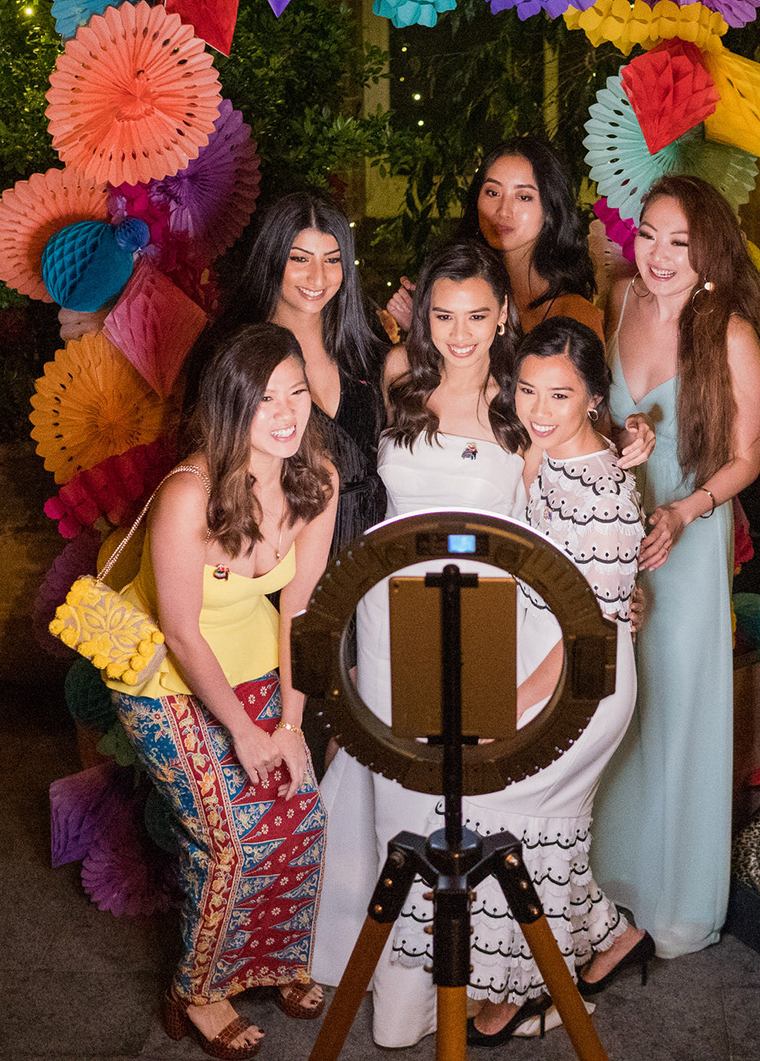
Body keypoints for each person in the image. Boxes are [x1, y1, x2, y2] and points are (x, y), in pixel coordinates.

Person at [310, 240, 535, 1048]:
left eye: (478, 314)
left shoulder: (526, 401)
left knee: (467, 804)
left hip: (482, 617)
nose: (460, 332)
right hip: (388, 606)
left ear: (505, 314)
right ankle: (395, 994)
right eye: (444, 314)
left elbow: (554, 520)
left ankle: (469, 986)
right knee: (393, 795)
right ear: (424, 315)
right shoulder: (402, 376)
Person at [96, 324, 340, 1059]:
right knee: (230, 836)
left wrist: (291, 724)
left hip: (259, 662)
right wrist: (244, 729)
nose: (289, 410)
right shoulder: (188, 495)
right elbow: (180, 632)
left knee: (302, 814)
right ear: (233, 407)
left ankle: (276, 959)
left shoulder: (316, 480)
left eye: (297, 390)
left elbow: (301, 611)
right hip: (168, 679)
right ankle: (198, 989)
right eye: (267, 398)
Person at [592, 174, 760, 959]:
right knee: (611, 708)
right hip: (608, 533)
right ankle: (603, 881)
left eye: (680, 241)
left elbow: (747, 458)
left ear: (710, 250)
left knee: (675, 707)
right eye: (649, 235)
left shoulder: (731, 330)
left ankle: (672, 894)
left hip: (687, 534)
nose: (659, 256)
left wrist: (684, 510)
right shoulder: (617, 300)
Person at [454, 316, 654, 1046]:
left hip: (583, 681)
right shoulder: (545, 455)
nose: (538, 408)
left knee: (515, 818)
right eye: (529, 389)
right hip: (543, 660)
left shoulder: (603, 496)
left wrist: (506, 704)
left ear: (593, 398)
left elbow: (589, 636)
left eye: (560, 394)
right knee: (542, 826)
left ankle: (526, 991)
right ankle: (608, 940)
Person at [184, 193, 390, 551]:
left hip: (372, 549)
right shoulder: (233, 351)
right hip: (276, 551)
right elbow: (207, 468)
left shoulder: (364, 338)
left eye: (332, 260)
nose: (318, 277)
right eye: (299, 258)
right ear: (271, 258)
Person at [386, 137, 603, 338]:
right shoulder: (460, 293)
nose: (503, 211)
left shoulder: (574, 314)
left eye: (524, 197)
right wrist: (425, 323)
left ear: (550, 212)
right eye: (492, 192)